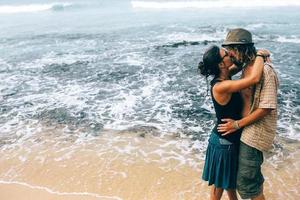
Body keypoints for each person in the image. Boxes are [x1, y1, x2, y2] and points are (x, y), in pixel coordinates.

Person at [198, 45, 268, 200]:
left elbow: (240, 63)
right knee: (219, 186)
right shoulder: (221, 86)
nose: (230, 54)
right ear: (221, 64)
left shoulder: (226, 74)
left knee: (229, 182)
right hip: (224, 143)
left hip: (227, 139)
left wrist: (250, 53)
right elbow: (254, 78)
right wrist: (261, 57)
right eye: (226, 54)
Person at [218, 28, 279, 200]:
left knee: (247, 183)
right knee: (248, 179)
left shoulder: (265, 71)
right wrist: (260, 55)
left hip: (255, 132)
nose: (229, 54)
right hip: (245, 128)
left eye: (231, 49)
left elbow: (267, 107)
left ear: (241, 48)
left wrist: (237, 124)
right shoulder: (245, 66)